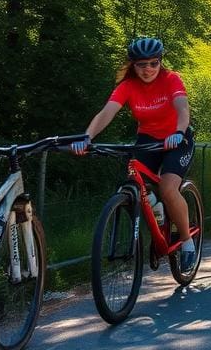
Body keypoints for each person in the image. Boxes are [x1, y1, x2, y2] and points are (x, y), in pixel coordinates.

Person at [72, 37, 197, 270]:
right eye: (141, 64)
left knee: (169, 188)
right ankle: (156, 212)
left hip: (177, 138)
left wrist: (179, 132)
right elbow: (106, 113)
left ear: (160, 62)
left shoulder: (171, 79)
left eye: (153, 63)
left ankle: (187, 243)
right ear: (133, 65)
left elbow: (182, 108)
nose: (148, 69)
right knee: (133, 185)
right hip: (148, 140)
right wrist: (87, 136)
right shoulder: (127, 86)